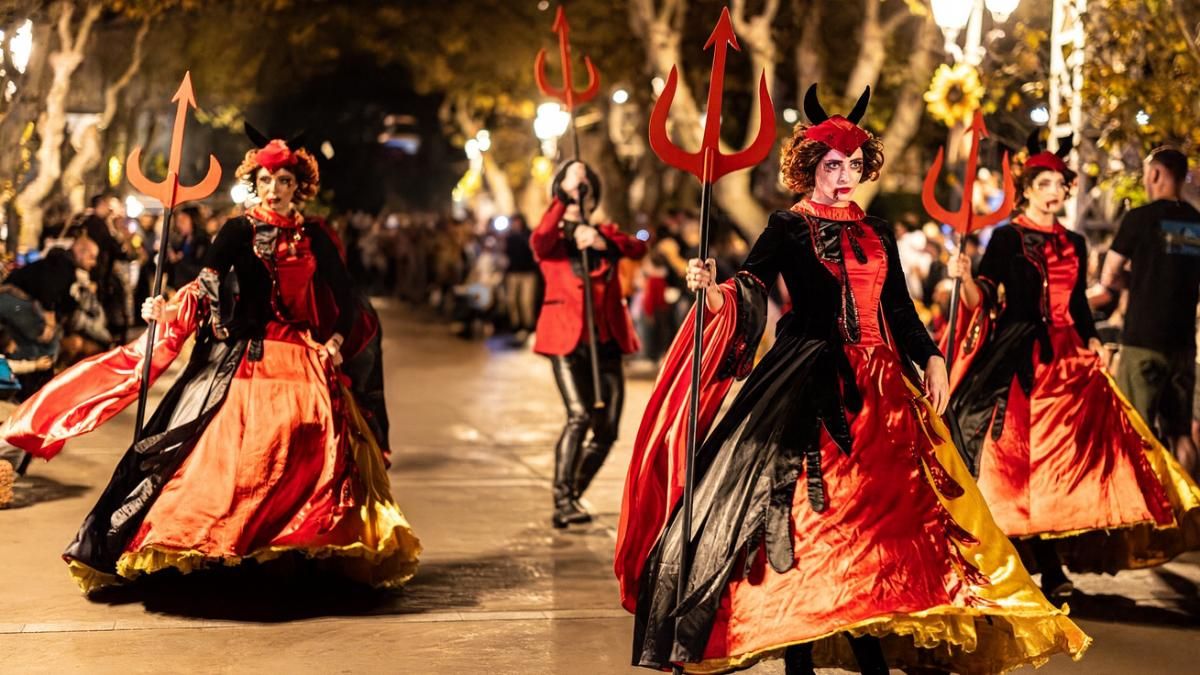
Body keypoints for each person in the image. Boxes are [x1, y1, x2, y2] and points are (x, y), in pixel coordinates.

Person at [615, 85, 1089, 674]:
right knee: (807, 520)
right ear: (811, 167)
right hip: (806, 381)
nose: (845, 175)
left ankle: (870, 641)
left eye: (854, 165)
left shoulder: (878, 230)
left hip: (884, 393)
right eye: (834, 165)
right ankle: (799, 656)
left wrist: (933, 359)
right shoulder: (786, 225)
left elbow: (901, 311)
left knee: (882, 522)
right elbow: (751, 286)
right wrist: (713, 291)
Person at [0, 133, 419, 592]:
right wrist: (165, 309)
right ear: (254, 184)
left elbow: (346, 298)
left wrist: (335, 341)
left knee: (315, 440)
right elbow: (206, 282)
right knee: (233, 456)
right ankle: (227, 543)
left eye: (283, 179)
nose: (274, 188)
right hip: (247, 356)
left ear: (299, 186)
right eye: (266, 179)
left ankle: (299, 542)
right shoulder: (238, 231)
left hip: (304, 359)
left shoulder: (316, 235)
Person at [945, 136, 1200, 599]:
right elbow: (982, 300)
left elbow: (1080, 304)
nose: (1055, 191)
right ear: (1027, 189)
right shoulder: (1006, 237)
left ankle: (1053, 561)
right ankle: (1033, 561)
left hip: (1068, 361)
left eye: (1061, 183)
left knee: (1067, 463)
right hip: (1016, 358)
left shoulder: (1076, 243)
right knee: (1015, 462)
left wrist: (1096, 340)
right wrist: (963, 278)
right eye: (1045, 183)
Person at [533, 160, 647, 528]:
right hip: (566, 340)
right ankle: (562, 499)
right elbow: (540, 239)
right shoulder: (552, 242)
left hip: (606, 340)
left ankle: (572, 494)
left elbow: (635, 248)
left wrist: (599, 240)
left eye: (584, 193)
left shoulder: (606, 236)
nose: (577, 198)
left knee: (608, 429)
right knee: (579, 415)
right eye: (569, 194)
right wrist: (565, 195)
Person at [1090, 147, 1200, 477]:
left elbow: (1108, 276)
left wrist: (1136, 282)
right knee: (1180, 432)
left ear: (1155, 174)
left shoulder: (1139, 218)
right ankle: (1189, 513)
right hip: (1182, 343)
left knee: (1135, 428)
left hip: (1142, 341)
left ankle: (1147, 515)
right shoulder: (1197, 222)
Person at [503, 214, 538, 344]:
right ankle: (515, 325)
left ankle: (528, 326)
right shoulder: (509, 236)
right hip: (513, 272)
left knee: (526, 300)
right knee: (512, 300)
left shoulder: (529, 235)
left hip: (528, 272)